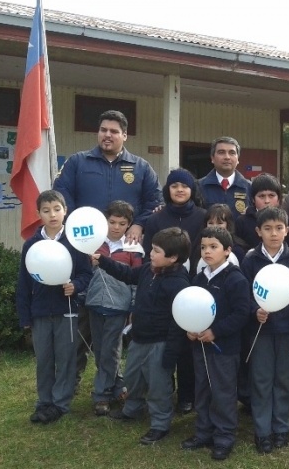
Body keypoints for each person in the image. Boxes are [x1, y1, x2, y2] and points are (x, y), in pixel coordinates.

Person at [53, 109, 162, 392]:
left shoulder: (141, 167)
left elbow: (154, 200)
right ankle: (69, 381)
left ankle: (112, 382)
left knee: (112, 324)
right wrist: (78, 230)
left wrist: (139, 223)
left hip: (123, 258)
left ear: (124, 136)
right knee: (79, 325)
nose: (107, 135)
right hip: (82, 255)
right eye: (103, 130)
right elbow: (62, 194)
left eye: (114, 131)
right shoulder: (78, 162)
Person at [96, 227, 191, 445]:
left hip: (160, 343)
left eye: (156, 251)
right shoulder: (149, 270)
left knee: (158, 385)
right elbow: (127, 274)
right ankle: (132, 409)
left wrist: (170, 354)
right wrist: (102, 260)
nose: (150, 253)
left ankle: (160, 424)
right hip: (139, 338)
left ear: (173, 257)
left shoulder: (178, 284)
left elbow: (178, 323)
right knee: (133, 377)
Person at [16, 190, 93, 425]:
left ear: (65, 210)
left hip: (67, 311)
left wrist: (75, 286)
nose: (52, 215)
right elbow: (23, 282)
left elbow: (85, 274)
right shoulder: (32, 244)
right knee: (45, 359)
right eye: (46, 210)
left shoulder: (74, 242)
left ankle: (60, 403)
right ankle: (44, 401)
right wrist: (24, 316)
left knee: (66, 357)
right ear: (38, 214)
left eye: (57, 209)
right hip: (40, 312)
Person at [240, 206, 289, 454]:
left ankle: (281, 427)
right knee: (261, 380)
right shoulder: (250, 261)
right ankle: (262, 431)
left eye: (279, 228)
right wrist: (253, 311)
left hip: (288, 332)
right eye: (267, 229)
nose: (273, 233)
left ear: (287, 230)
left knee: (285, 380)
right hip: (261, 333)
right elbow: (245, 294)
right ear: (258, 231)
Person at [179, 227, 251, 461]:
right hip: (200, 347)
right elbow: (192, 307)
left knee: (223, 392)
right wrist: (190, 329)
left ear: (228, 251)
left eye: (213, 247)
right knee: (203, 390)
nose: (207, 252)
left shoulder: (235, 279)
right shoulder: (199, 278)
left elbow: (242, 314)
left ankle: (224, 436)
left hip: (224, 349)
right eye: (203, 247)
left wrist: (216, 331)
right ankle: (203, 432)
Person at [142, 167, 205, 414]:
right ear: (168, 190)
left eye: (185, 186)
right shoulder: (156, 219)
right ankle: (164, 390)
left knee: (186, 346)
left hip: (192, 287)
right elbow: (149, 255)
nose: (180, 190)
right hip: (162, 289)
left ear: (192, 190)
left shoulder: (202, 216)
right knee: (163, 343)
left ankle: (187, 396)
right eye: (175, 186)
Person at [84, 200, 143, 416]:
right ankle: (118, 385)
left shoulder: (134, 248)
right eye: (112, 222)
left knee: (111, 349)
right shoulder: (94, 243)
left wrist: (134, 306)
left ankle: (102, 394)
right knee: (100, 351)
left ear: (129, 225)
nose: (116, 227)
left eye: (122, 223)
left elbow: (136, 279)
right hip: (95, 302)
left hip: (118, 306)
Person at [198, 136, 251, 219]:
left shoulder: (250, 187)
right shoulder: (199, 187)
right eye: (221, 152)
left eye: (232, 153)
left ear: (238, 159)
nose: (227, 157)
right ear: (212, 158)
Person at [235, 173, 282, 251]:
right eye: (262, 196)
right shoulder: (242, 222)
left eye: (271, 196)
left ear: (278, 199)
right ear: (253, 199)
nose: (267, 201)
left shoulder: (287, 223)